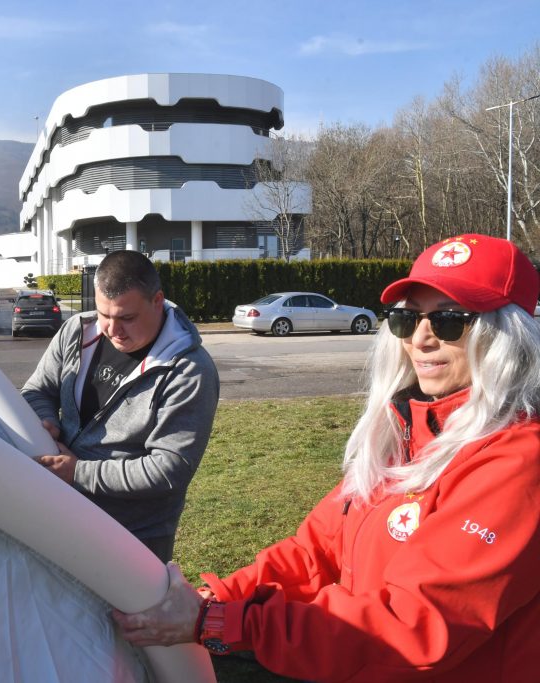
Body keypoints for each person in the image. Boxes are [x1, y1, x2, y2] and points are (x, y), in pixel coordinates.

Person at [112, 234, 540, 683]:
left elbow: (413, 622)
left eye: (451, 320)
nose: (421, 337)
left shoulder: (518, 462)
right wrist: (212, 599)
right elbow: (314, 551)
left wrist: (221, 623)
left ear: (506, 336)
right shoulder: (403, 432)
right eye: (406, 318)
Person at [21, 250, 220, 562]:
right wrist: (47, 422)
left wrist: (78, 473)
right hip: (61, 511)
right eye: (104, 315)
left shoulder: (189, 371)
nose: (112, 330)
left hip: (135, 537)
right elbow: (37, 390)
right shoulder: (77, 330)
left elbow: (168, 471)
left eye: (127, 318)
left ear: (157, 301)